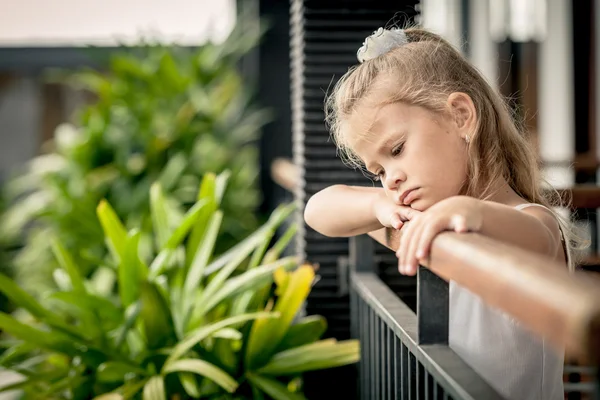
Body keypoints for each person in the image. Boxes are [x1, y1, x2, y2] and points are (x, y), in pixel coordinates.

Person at [303, 26, 578, 400]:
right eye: (379, 171)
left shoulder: (529, 219)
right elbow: (317, 209)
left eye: (397, 150)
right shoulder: (417, 211)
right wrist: (378, 207)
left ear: (460, 116)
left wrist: (468, 211)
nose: (391, 180)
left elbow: (540, 236)